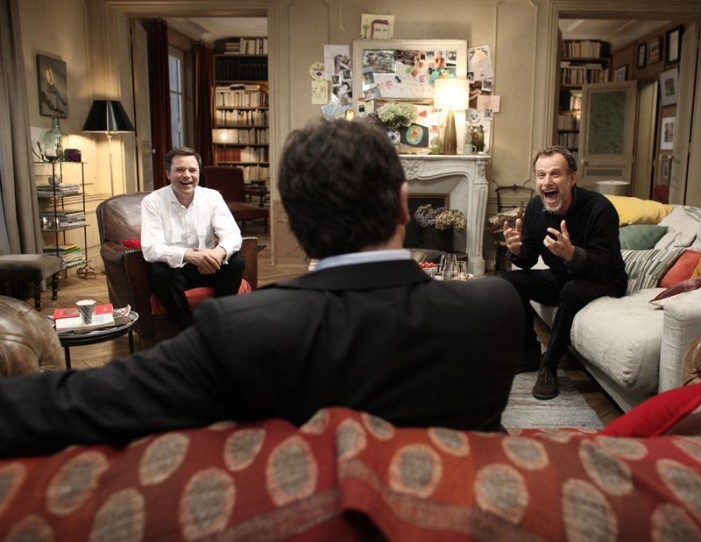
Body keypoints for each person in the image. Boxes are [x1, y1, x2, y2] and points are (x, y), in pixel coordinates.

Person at [0, 120, 524, 458]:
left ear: (292, 221)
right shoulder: (496, 308)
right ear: (405, 206)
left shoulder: (239, 331)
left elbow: (79, 404)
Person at [502, 146, 626, 400]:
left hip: (604, 281)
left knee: (572, 289)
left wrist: (571, 254)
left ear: (572, 178)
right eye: (541, 175)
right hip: (563, 278)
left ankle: (549, 364)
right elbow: (528, 260)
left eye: (555, 174)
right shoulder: (536, 207)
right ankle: (528, 354)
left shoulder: (600, 209)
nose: (547, 181)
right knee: (510, 282)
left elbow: (605, 266)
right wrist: (516, 250)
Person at [141, 147, 244, 329]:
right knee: (159, 273)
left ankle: (217, 324)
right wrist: (189, 255)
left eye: (192, 170)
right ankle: (189, 330)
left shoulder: (212, 197)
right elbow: (151, 247)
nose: (187, 175)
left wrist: (218, 253)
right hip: (176, 270)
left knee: (235, 262)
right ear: (168, 174)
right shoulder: (152, 201)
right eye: (180, 170)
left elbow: (232, 234)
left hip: (210, 266)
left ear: (198, 173)